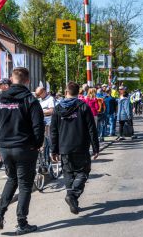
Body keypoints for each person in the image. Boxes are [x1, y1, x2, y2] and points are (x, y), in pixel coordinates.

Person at [0, 67, 45, 234]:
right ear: (27, 81)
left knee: (12, 179)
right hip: (25, 147)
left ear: (12, 80)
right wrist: (37, 143)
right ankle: (22, 222)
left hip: (5, 147)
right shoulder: (30, 100)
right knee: (25, 185)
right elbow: (38, 126)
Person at [50, 81, 99, 215]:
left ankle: (72, 199)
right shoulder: (83, 107)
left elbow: (53, 131)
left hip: (64, 147)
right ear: (78, 93)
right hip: (80, 146)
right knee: (83, 172)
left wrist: (54, 149)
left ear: (66, 92)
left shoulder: (58, 109)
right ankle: (72, 196)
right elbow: (92, 129)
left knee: (68, 173)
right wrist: (95, 148)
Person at [35, 86, 56, 171]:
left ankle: (53, 157)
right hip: (41, 124)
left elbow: (52, 110)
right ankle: (44, 162)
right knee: (43, 145)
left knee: (49, 142)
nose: (39, 96)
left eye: (39, 94)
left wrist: (41, 112)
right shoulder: (40, 100)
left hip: (49, 124)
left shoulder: (50, 99)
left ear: (44, 91)